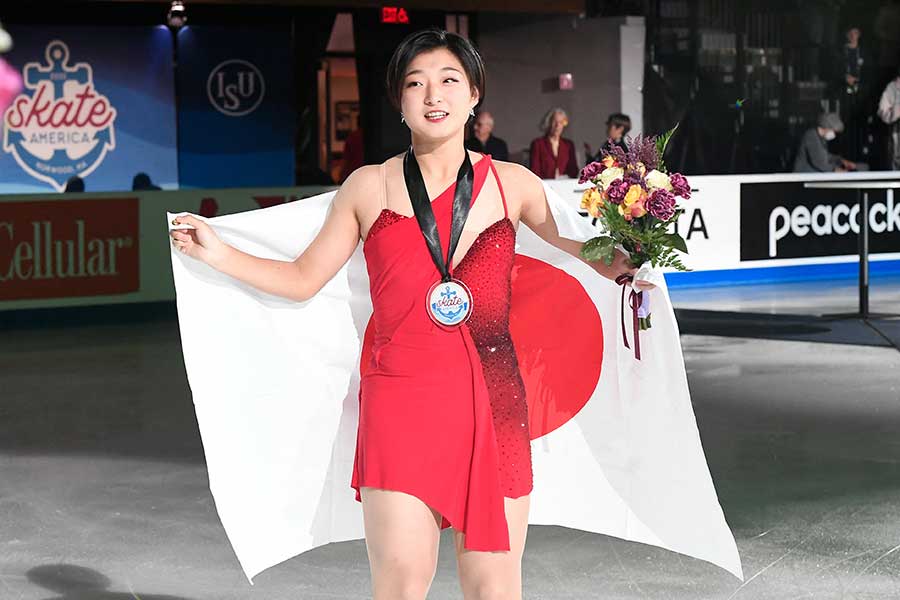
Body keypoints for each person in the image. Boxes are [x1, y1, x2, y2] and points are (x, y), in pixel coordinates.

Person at [169, 29, 741, 597]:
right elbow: (300, 280)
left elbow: (577, 249)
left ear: (473, 96)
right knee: (399, 587)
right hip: (400, 404)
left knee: (494, 588)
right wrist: (218, 252)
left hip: (494, 404)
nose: (432, 95)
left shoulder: (514, 184)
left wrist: (625, 252)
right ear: (399, 101)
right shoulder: (367, 187)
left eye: (448, 81)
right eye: (415, 83)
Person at [793, 112, 859, 172]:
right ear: (826, 127)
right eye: (833, 131)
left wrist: (841, 161)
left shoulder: (821, 138)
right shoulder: (811, 136)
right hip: (803, 177)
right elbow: (819, 163)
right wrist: (835, 170)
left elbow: (825, 156)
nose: (834, 134)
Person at [528, 107, 578, 179]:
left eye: (561, 122)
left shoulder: (569, 145)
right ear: (548, 123)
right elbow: (534, 170)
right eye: (555, 122)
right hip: (544, 186)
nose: (557, 126)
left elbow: (573, 170)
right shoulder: (538, 144)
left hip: (565, 185)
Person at [878, 69, 900, 170]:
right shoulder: (892, 87)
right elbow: (883, 111)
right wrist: (895, 110)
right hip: (896, 130)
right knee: (896, 158)